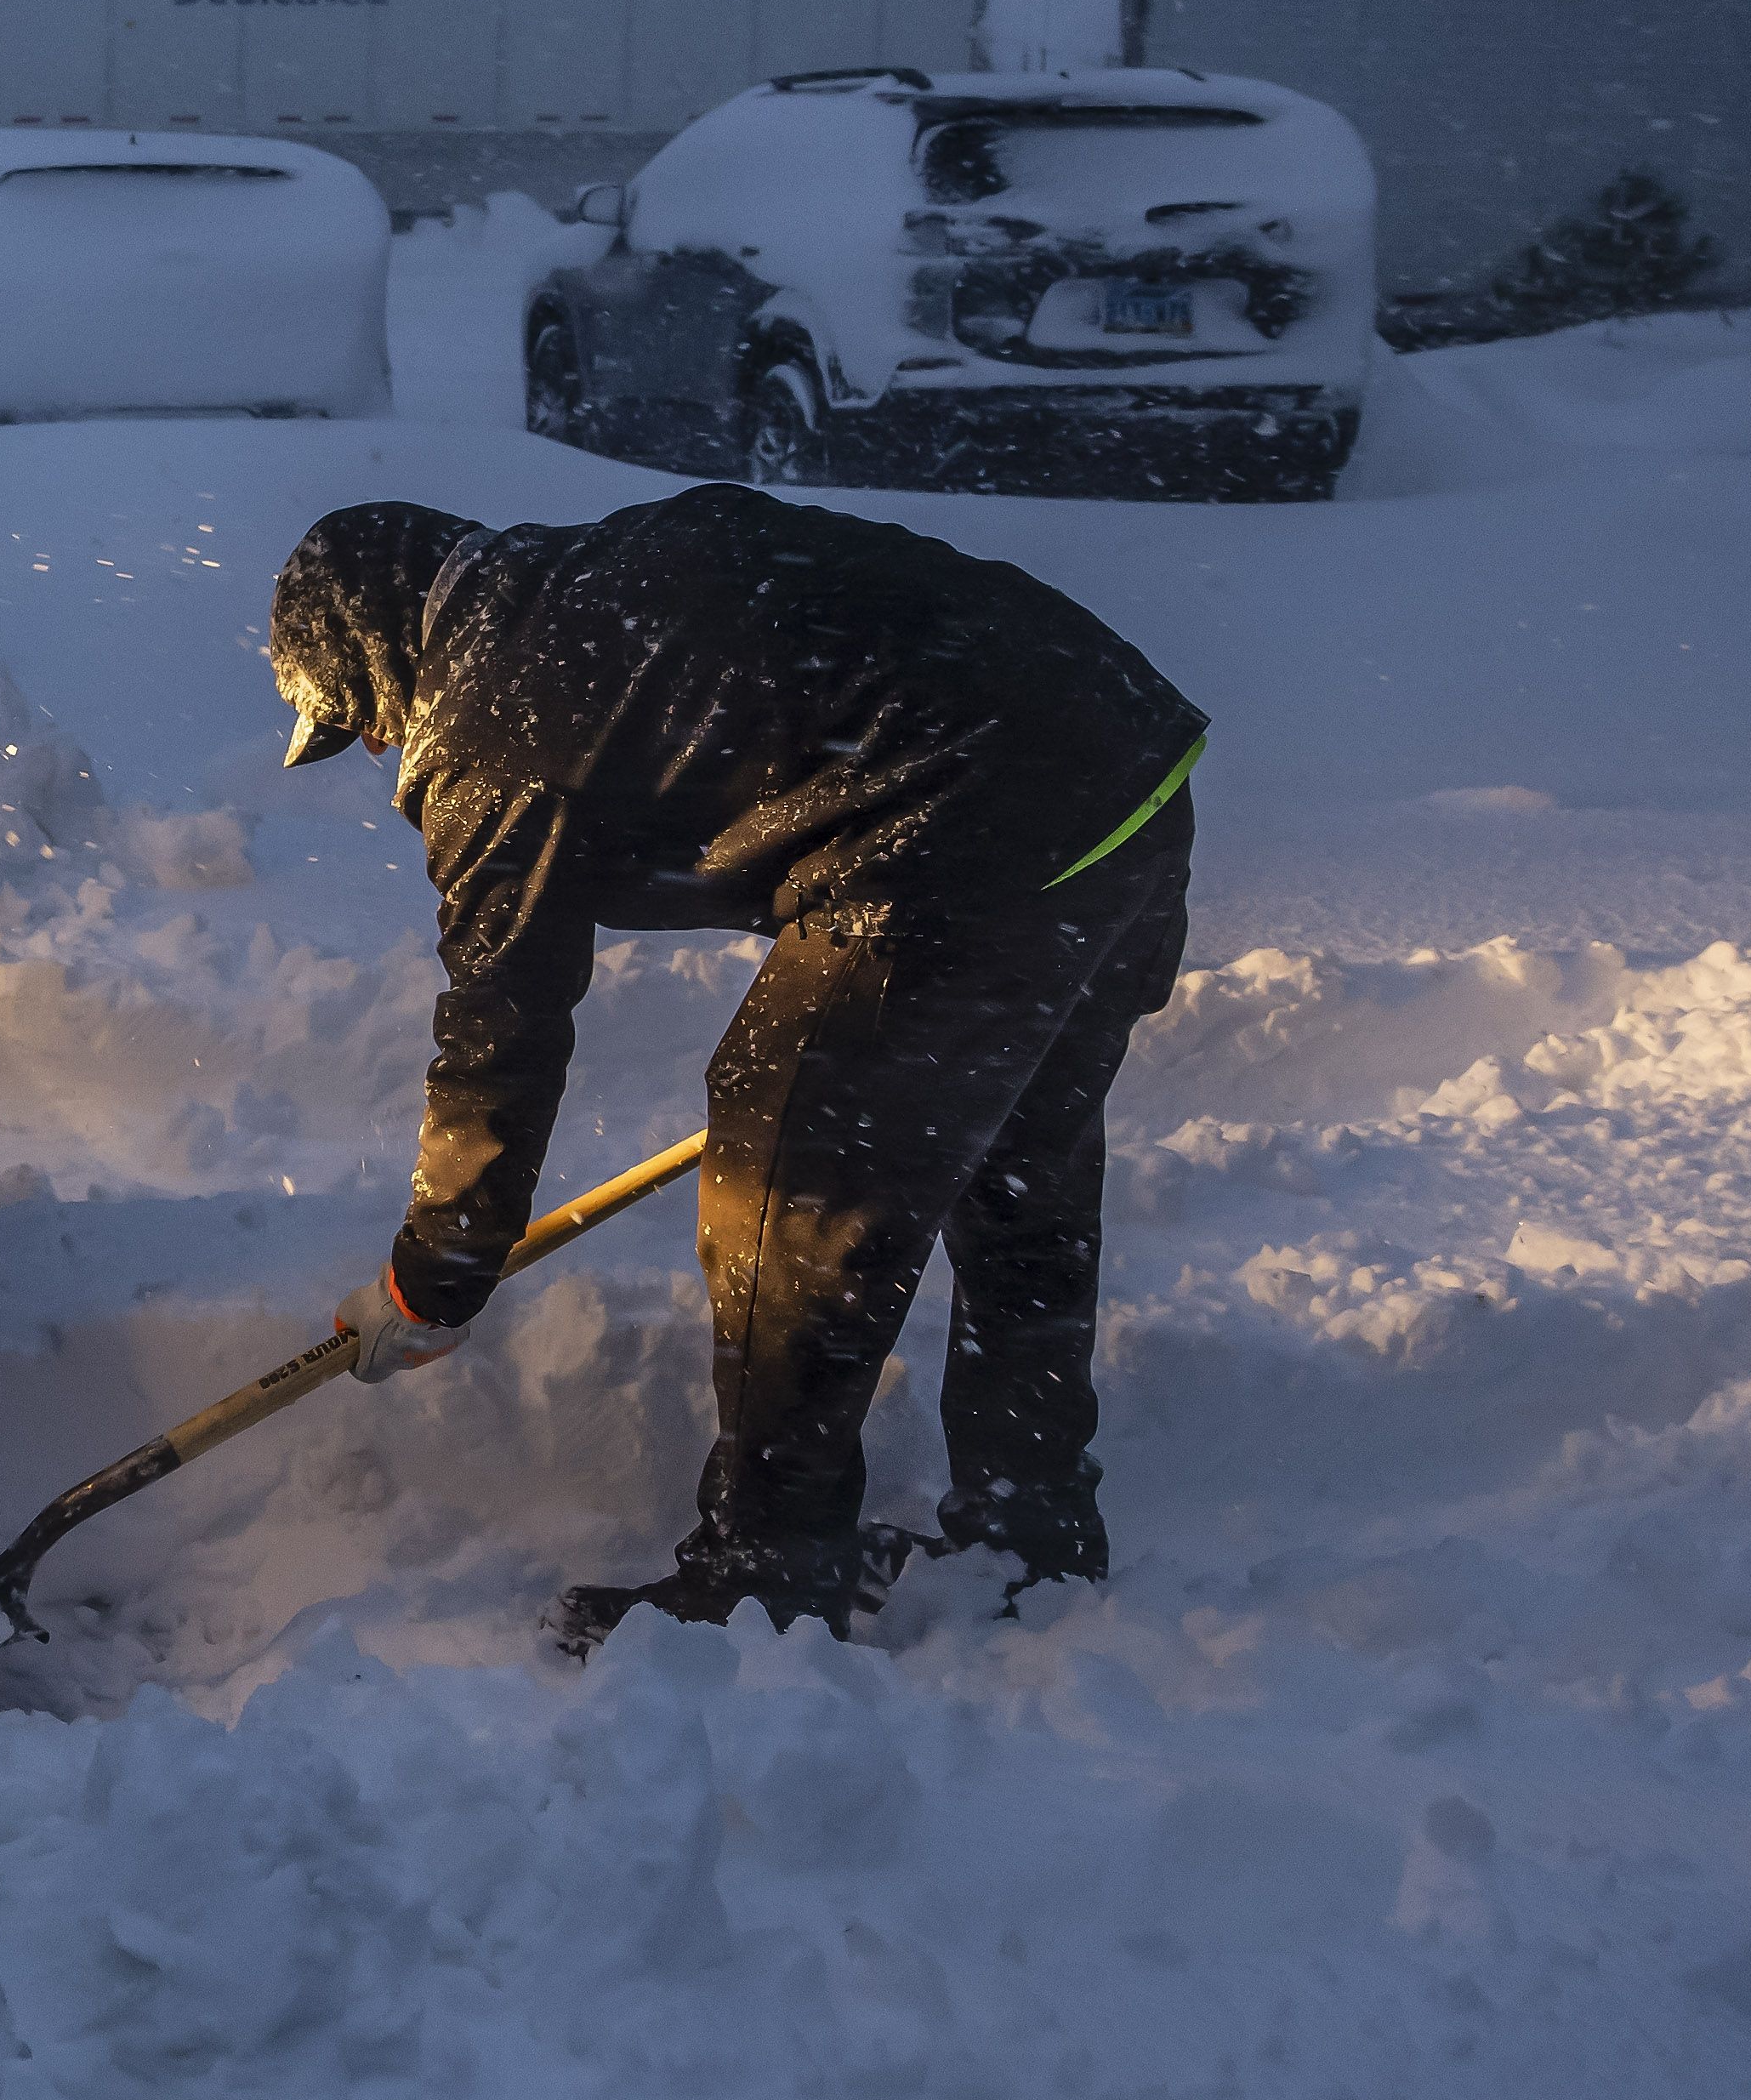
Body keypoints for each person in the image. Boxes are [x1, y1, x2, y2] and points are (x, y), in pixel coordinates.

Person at [266, 487, 1202, 1642]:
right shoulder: (575, 595)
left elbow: (499, 1024)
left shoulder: (495, 719)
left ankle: (768, 1572)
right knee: (1021, 1183)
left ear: (379, 649)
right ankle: (1031, 1526)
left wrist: (440, 1270)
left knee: (787, 1176)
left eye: (361, 715)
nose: (376, 744)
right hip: (1125, 778)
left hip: (969, 834)